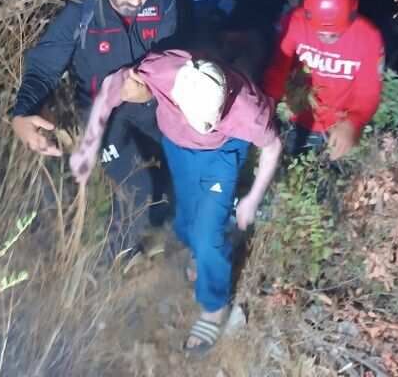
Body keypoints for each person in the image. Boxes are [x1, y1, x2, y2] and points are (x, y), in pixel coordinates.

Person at [71, 49, 282, 354]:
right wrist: (88, 148)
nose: (202, 126)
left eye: (208, 121)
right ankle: (201, 251)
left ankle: (214, 306)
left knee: (206, 234)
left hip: (221, 155)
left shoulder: (249, 111)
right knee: (186, 217)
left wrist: (252, 198)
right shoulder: (162, 70)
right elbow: (110, 88)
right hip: (177, 144)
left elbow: (273, 147)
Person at [11, 0, 177, 251]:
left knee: (177, 163)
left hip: (150, 103)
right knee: (137, 187)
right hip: (100, 113)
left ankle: (172, 226)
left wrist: (150, 90)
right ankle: (115, 259)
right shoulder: (81, 11)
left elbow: (175, 57)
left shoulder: (165, 2)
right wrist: (22, 112)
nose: (136, 0)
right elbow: (44, 66)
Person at [263, 0, 384, 159]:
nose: (327, 38)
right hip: (295, 116)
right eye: (321, 33)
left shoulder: (368, 37)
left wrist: (353, 122)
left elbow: (368, 92)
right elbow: (278, 68)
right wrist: (268, 103)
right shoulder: (294, 22)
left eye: (334, 34)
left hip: (339, 127)